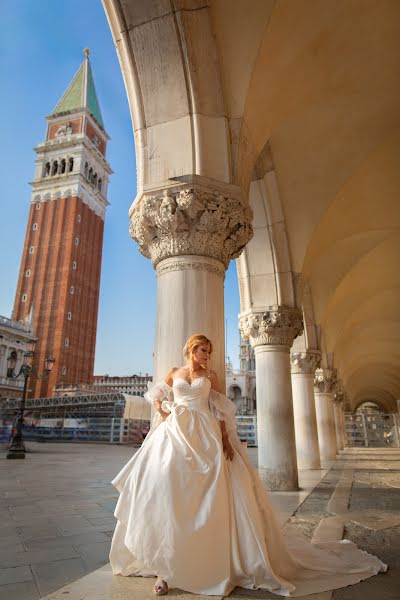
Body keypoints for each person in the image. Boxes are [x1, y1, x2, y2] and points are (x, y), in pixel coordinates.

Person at [110, 334, 386, 597]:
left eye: (210, 351)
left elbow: (220, 411)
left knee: (204, 498)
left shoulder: (211, 377)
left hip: (205, 436)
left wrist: (227, 442)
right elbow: (157, 395)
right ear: (191, 350)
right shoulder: (174, 372)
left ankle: (200, 562)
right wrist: (164, 411)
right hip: (175, 435)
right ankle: (165, 569)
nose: (208, 355)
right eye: (204, 350)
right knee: (170, 495)